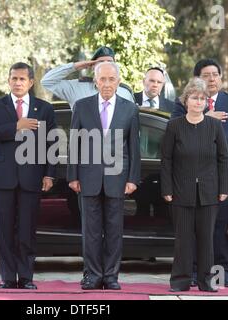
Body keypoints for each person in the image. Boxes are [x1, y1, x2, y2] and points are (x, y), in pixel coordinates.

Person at [171, 59, 228, 287]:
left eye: (215, 74)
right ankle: (196, 273)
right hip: (195, 176)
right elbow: (175, 131)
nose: (212, 79)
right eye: (206, 75)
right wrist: (206, 117)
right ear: (197, 79)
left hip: (224, 173)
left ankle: (223, 272)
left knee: (221, 226)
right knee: (198, 226)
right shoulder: (183, 104)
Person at [67, 61, 140, 290]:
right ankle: (92, 275)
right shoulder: (82, 106)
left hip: (118, 179)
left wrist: (132, 178)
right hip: (87, 178)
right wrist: (72, 176)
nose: (107, 84)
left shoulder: (129, 108)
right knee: (90, 231)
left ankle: (110, 276)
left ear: (118, 81)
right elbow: (74, 145)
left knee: (114, 230)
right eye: (102, 79)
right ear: (95, 82)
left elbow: (134, 148)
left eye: (111, 79)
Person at [0, 62, 56, 290]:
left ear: (31, 82)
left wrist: (49, 175)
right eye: (14, 78)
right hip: (3, 177)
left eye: (22, 79)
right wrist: (17, 126)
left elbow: (50, 143)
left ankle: (26, 277)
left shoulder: (44, 108)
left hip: (32, 177)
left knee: (27, 229)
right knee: (4, 230)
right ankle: (7, 278)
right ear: (8, 80)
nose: (17, 82)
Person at [161, 77, 228, 292]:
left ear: (206, 102)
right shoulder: (174, 126)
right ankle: (180, 281)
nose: (198, 102)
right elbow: (166, 159)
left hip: (209, 193)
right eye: (194, 98)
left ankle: (207, 282)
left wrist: (224, 188)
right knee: (183, 240)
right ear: (185, 100)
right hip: (181, 192)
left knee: (206, 239)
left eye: (202, 98)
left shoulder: (214, 125)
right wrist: (167, 189)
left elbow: (223, 157)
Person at [41, 46, 135, 109]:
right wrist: (75, 66)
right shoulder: (76, 88)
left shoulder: (125, 92)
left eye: (110, 62)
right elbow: (47, 81)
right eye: (101, 62)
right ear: (93, 66)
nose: (106, 65)